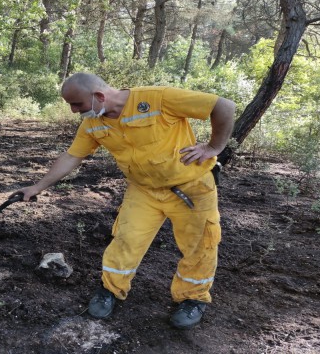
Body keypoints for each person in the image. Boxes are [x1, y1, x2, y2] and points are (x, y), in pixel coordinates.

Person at [13, 73, 235, 329]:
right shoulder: (93, 123)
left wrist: (214, 147)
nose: (75, 111)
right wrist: (37, 186)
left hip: (192, 187)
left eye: (77, 104)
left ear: (98, 96)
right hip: (144, 191)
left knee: (200, 245)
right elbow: (72, 156)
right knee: (126, 240)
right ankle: (110, 290)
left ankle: (192, 299)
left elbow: (223, 106)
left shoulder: (157, 99)